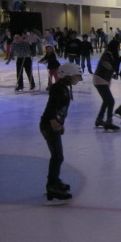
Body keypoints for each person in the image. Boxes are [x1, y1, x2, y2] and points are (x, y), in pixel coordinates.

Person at [40, 62, 82, 204]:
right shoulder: (58, 88)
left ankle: (55, 182)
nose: (79, 79)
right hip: (49, 125)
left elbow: (60, 108)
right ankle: (52, 187)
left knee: (58, 156)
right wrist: (53, 121)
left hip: (53, 125)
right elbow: (52, 105)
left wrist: (60, 123)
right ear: (68, 76)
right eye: (77, 76)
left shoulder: (63, 87)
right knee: (57, 156)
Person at [93, 40, 120, 131]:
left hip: (103, 79)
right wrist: (111, 68)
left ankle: (99, 119)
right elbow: (104, 62)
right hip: (100, 79)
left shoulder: (110, 54)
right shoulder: (108, 54)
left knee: (106, 101)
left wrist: (112, 74)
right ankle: (108, 121)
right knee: (111, 101)